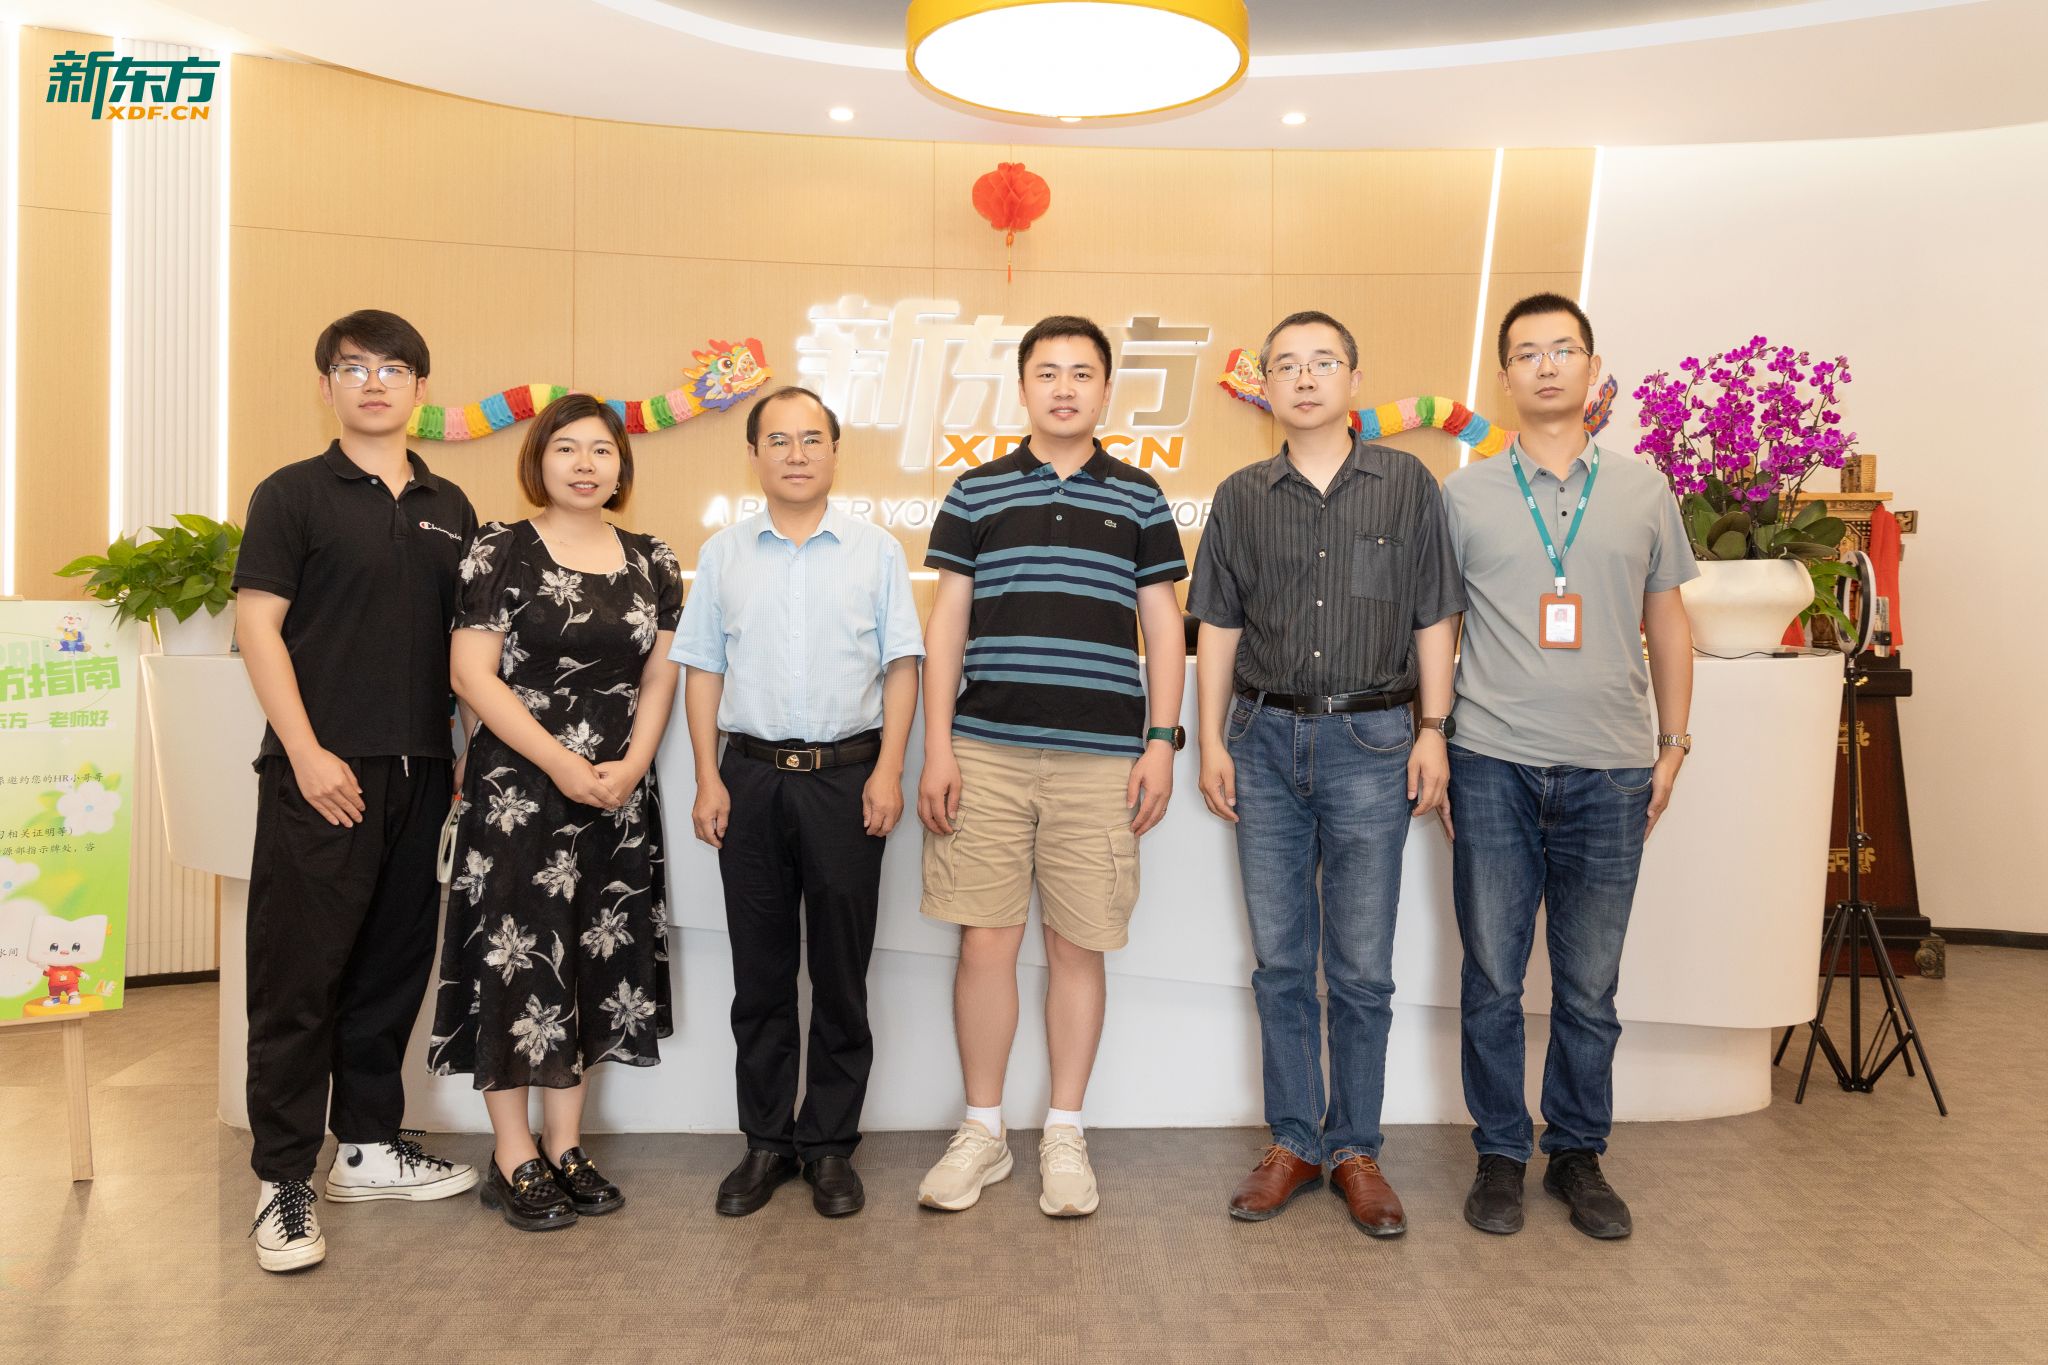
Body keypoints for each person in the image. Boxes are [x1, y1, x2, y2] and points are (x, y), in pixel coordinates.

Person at [1190, 310, 1464, 1237]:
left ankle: (1355, 1149)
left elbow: (1434, 614)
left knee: (1360, 967)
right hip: (1263, 740)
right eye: (1286, 366)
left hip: (1374, 740)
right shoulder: (1240, 495)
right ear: (1264, 384)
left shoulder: (1407, 484)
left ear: (1353, 378)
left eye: (1322, 363)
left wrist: (1434, 729)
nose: (1304, 378)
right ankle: (1294, 1141)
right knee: (1279, 962)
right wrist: (1211, 739)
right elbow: (1217, 624)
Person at [915, 315, 1187, 1219]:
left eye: (1081, 373)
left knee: (1078, 945)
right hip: (985, 752)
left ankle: (1064, 1130)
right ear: (1024, 386)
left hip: (1102, 762)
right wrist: (939, 745)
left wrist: (1162, 739)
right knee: (984, 943)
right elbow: (948, 622)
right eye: (1047, 372)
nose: (1064, 388)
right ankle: (984, 1130)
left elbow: (1162, 628)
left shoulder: (1139, 496)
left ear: (1106, 390)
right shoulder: (977, 490)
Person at [1442, 292, 1696, 1241]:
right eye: (1527, 352)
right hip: (1490, 761)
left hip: (1612, 766)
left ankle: (1578, 1153)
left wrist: (1674, 742)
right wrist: (1435, 732)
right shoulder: (1462, 495)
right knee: (1493, 977)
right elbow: (1441, 627)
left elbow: (1668, 618)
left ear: (1593, 368)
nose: (1546, 365)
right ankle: (1501, 1152)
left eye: (1563, 349)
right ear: (1504, 375)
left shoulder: (1643, 489)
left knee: (1589, 984)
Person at [234, 309, 479, 1273]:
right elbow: (258, 627)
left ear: (421, 387)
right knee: (297, 981)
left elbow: (465, 650)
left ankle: (368, 1146)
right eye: (353, 367)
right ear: (326, 386)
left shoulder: (450, 504)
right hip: (322, 775)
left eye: (393, 368)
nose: (374, 382)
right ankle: (282, 1181)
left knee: (389, 970)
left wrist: (461, 755)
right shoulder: (292, 492)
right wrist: (305, 752)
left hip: (423, 775)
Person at [426, 393, 683, 1232]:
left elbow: (659, 676)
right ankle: (513, 1152)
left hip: (614, 792)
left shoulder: (653, 558)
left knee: (586, 959)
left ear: (621, 466)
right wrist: (563, 764)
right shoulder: (499, 548)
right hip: (518, 792)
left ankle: (566, 1144)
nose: (584, 463)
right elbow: (471, 674)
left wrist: (631, 765)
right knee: (514, 962)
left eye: (601, 450)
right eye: (566, 447)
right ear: (538, 459)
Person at [674, 386, 923, 1219]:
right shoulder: (723, 553)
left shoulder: (876, 550)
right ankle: (766, 1141)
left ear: (834, 451)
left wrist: (888, 770)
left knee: (842, 974)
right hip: (748, 777)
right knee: (761, 974)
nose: (795, 453)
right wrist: (708, 775)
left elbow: (901, 667)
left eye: (811, 438)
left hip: (847, 778)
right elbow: (702, 669)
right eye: (777, 439)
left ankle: (830, 1145)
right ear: (754, 454)